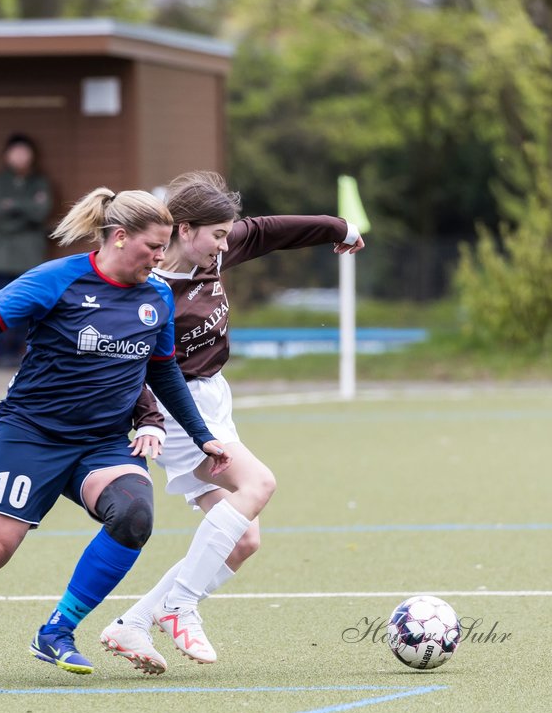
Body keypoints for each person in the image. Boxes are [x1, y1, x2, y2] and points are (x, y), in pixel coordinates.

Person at [0, 187, 232, 685]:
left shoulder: (155, 296)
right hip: (31, 436)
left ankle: (57, 630)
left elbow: (162, 373)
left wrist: (201, 436)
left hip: (104, 443)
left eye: (164, 248)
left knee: (134, 514)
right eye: (152, 247)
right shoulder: (60, 278)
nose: (161, 258)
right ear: (118, 238)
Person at [99, 170, 365, 675]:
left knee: (243, 541)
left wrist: (338, 227)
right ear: (184, 229)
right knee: (259, 482)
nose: (226, 244)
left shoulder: (212, 250)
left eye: (227, 235)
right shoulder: (147, 291)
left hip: (215, 401)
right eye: (218, 234)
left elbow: (267, 231)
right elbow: (128, 367)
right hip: (177, 411)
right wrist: (149, 419)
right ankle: (178, 606)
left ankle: (133, 623)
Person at [0, 132, 52, 364]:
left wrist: (13, 205)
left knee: (28, 305)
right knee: (1, 304)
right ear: (6, 155)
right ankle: (3, 354)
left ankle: (23, 354)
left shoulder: (40, 181)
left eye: (25, 152)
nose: (20, 157)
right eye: (16, 152)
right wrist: (28, 208)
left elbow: (41, 213)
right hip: (1, 255)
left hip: (30, 254)